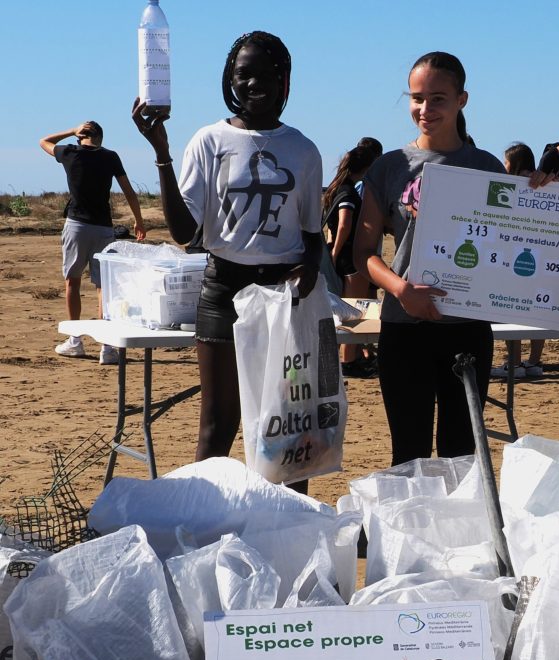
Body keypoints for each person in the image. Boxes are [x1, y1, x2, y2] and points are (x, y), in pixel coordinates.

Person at [132, 31, 323, 481]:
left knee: (287, 427)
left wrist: (312, 266)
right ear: (228, 79)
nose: (254, 84)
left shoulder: (304, 150)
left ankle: (288, 530)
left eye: (267, 75)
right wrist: (162, 153)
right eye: (243, 74)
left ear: (285, 81)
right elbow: (184, 232)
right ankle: (204, 528)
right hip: (223, 292)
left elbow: (312, 233)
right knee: (217, 426)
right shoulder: (209, 141)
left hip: (284, 297)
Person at [353, 51, 506, 466]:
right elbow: (363, 254)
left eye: (438, 98)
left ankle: (461, 533)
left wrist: (539, 190)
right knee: (409, 452)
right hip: (404, 329)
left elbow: (512, 241)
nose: (425, 108)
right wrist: (401, 290)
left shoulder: (487, 167)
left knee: (461, 453)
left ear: (462, 100)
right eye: (417, 97)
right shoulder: (389, 167)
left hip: (468, 328)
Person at [39, 120, 147, 364]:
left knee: (73, 282)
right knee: (104, 287)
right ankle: (107, 348)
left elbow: (44, 142)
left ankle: (75, 341)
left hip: (76, 225)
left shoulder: (70, 152)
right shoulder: (110, 157)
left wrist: (69, 130)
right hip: (103, 228)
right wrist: (138, 221)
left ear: (80, 137)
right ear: (101, 137)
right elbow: (128, 190)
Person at [490, 142, 546, 379]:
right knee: (537, 311)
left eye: (505, 162)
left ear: (513, 163)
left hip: (514, 256)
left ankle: (512, 363)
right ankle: (533, 362)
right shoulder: (543, 183)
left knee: (512, 310)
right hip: (541, 256)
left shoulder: (511, 185)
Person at [323, 144, 378, 377]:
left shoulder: (337, 188)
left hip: (342, 256)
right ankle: (349, 362)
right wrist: (336, 253)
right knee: (355, 310)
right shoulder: (348, 191)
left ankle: (349, 359)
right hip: (350, 258)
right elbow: (344, 223)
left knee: (348, 308)